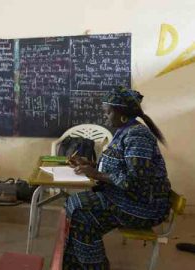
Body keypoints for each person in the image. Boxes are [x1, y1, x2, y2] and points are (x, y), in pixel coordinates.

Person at [63, 87, 171, 269]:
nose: (105, 117)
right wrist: (90, 165)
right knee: (73, 204)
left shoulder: (138, 136)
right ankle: (76, 264)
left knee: (80, 212)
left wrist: (96, 174)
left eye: (108, 112)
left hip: (144, 206)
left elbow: (134, 180)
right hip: (126, 198)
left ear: (122, 114)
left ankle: (93, 265)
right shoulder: (124, 131)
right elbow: (117, 166)